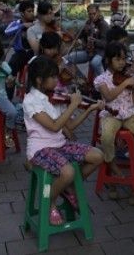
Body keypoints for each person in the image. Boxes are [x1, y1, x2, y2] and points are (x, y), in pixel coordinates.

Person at [22, 56, 105, 226]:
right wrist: (73, 105)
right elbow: (53, 126)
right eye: (52, 77)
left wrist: (90, 109)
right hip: (40, 149)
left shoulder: (54, 97)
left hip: (60, 145)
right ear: (39, 80)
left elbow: (71, 125)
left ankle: (67, 188)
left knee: (97, 156)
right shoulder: (30, 100)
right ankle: (49, 201)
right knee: (67, 172)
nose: (56, 80)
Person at [93, 42, 134, 205]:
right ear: (108, 60)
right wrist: (125, 83)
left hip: (130, 113)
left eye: (124, 59)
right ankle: (114, 168)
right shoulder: (101, 79)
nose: (122, 62)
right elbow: (108, 97)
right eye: (118, 59)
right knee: (106, 137)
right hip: (111, 114)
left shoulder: (129, 77)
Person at [66, 4, 109, 76]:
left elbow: (105, 44)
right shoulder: (88, 23)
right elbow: (78, 35)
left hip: (100, 53)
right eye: (90, 14)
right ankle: (81, 78)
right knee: (67, 58)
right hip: (88, 52)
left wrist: (94, 41)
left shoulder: (104, 25)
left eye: (94, 14)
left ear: (98, 12)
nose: (92, 16)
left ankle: (104, 81)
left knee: (95, 63)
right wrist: (75, 34)